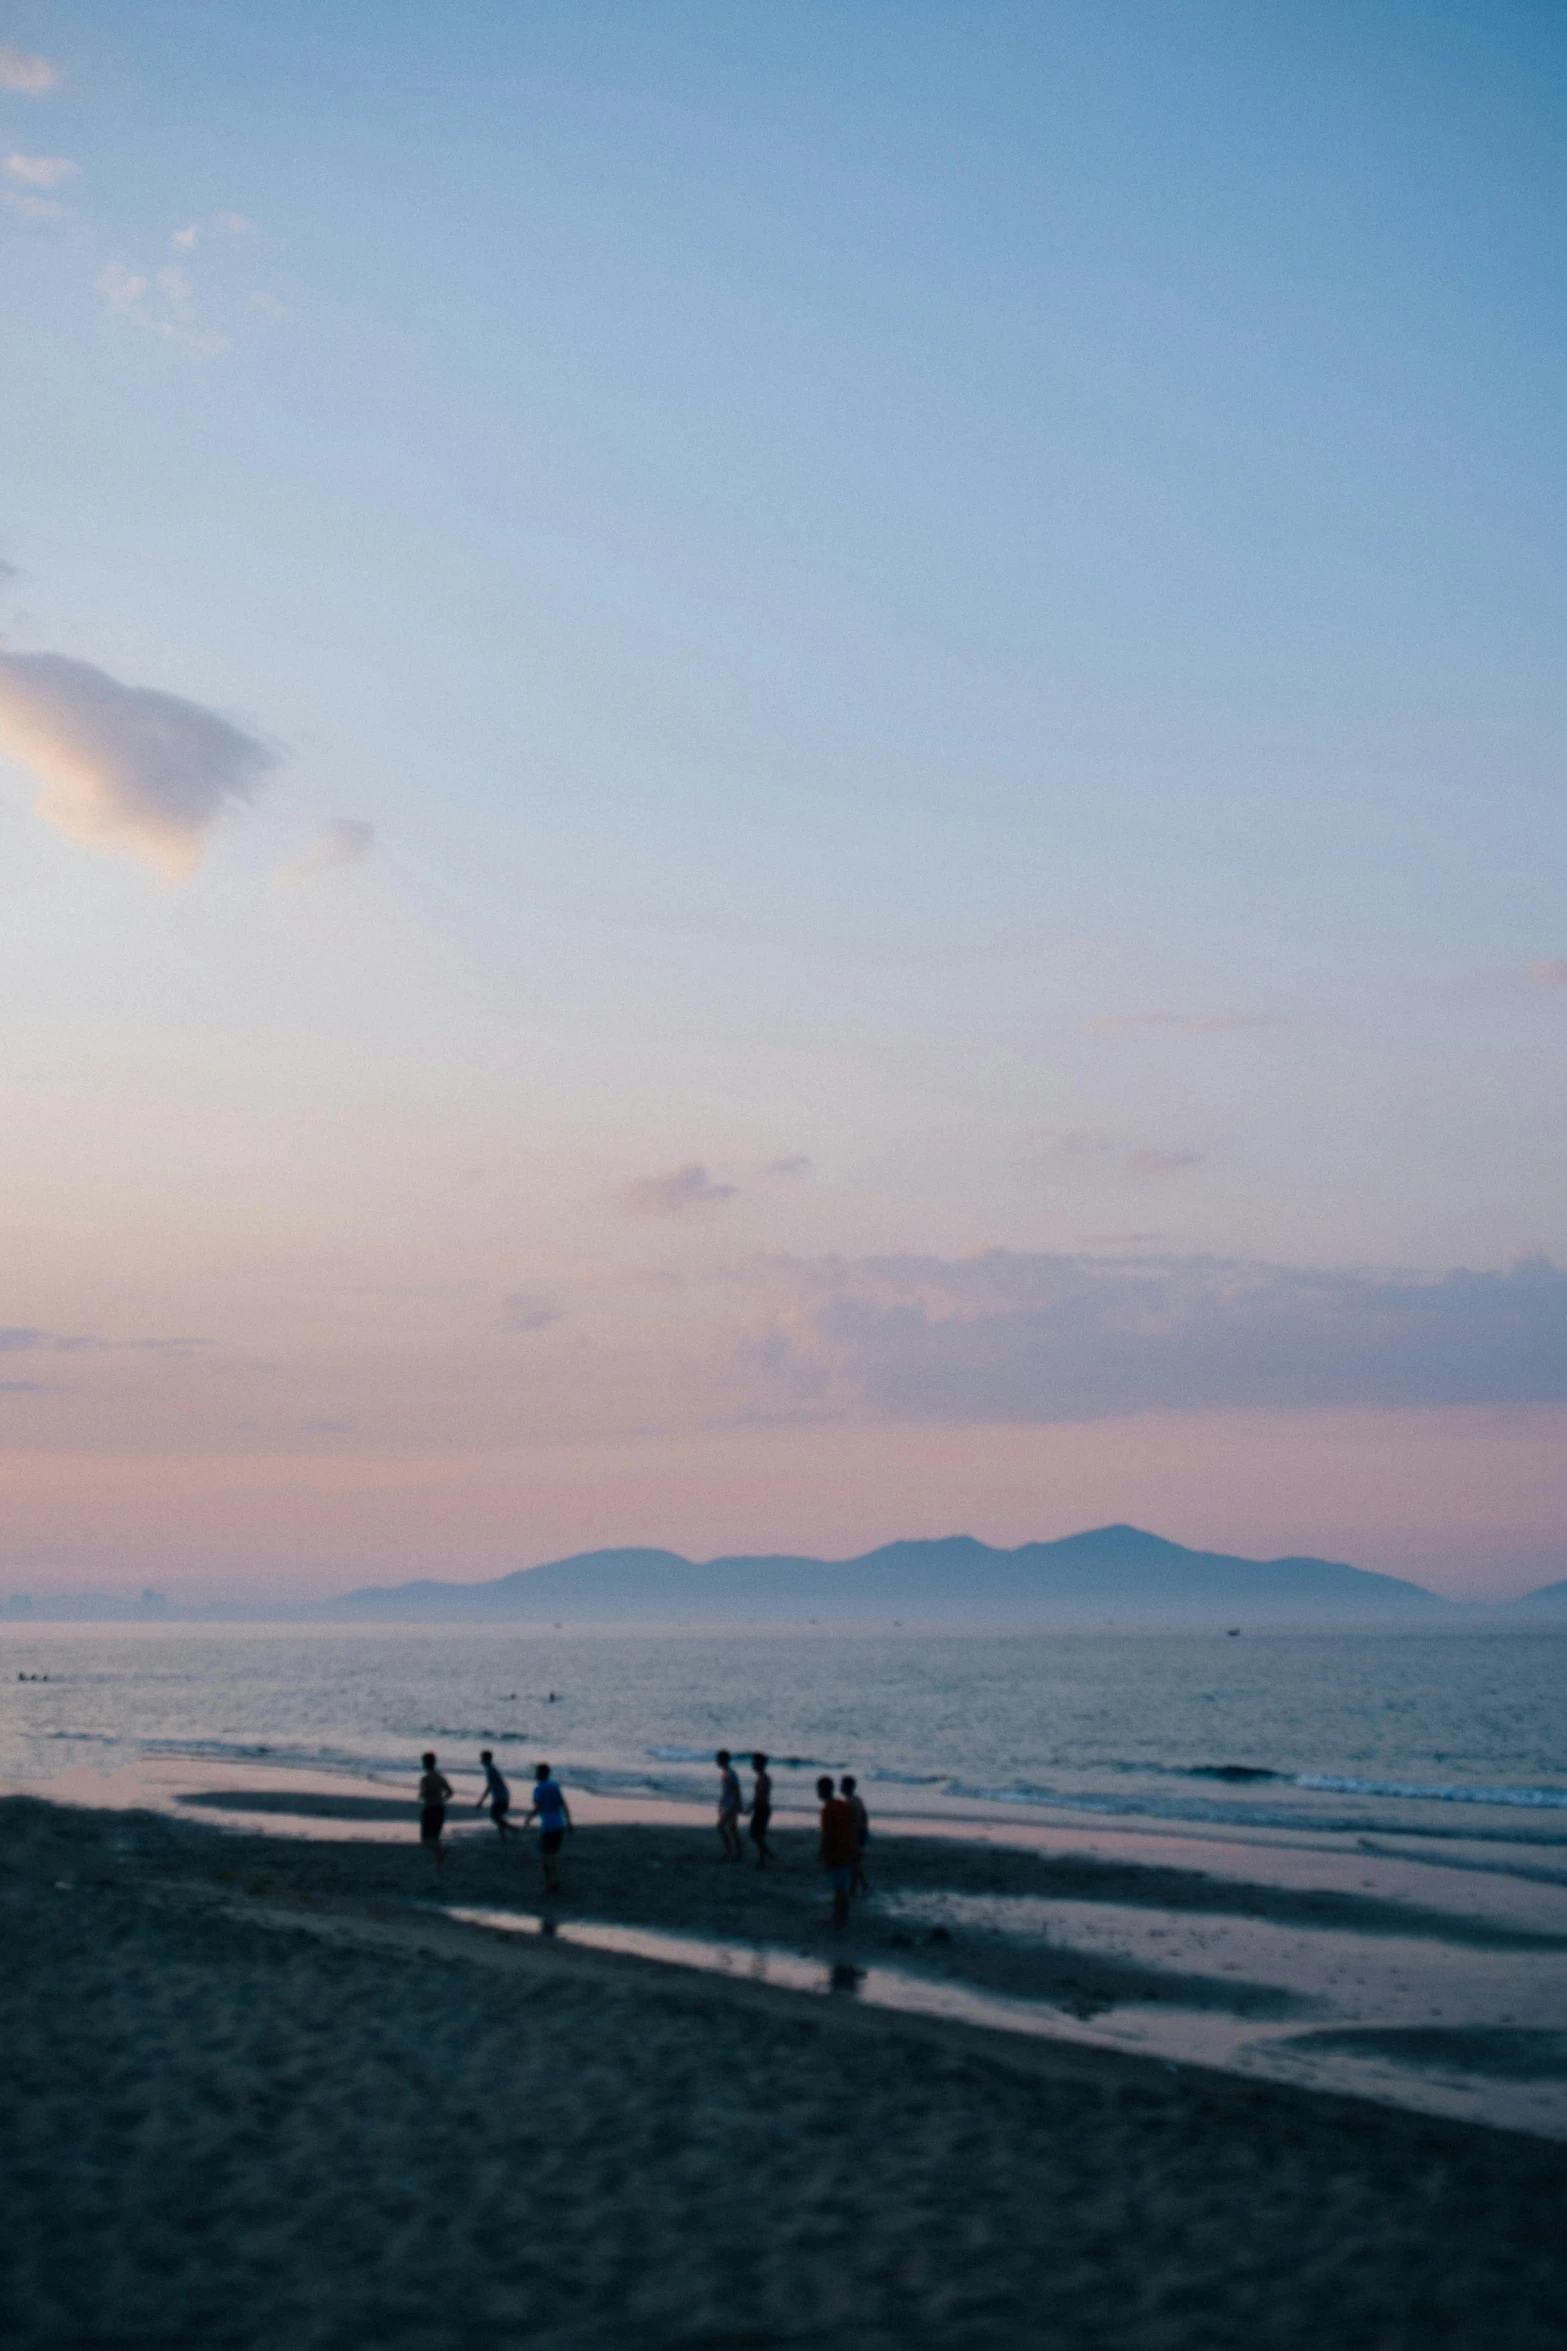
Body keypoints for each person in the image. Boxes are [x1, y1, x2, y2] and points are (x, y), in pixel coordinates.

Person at [522, 1761, 572, 1894]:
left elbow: (538, 1807)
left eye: (537, 1772)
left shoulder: (538, 1789)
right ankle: (555, 1882)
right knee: (551, 1856)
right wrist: (569, 1821)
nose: (535, 1774)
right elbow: (563, 1804)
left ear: (541, 1774)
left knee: (545, 1857)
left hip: (548, 1826)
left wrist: (528, 1818)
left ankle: (548, 1886)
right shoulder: (555, 1786)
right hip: (558, 1824)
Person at [817, 1773, 858, 1929]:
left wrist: (822, 1852)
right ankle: (837, 1916)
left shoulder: (828, 1810)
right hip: (848, 1849)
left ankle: (840, 1918)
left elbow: (828, 1835)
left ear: (823, 1790)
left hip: (837, 1853)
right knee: (841, 1887)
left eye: (819, 1790)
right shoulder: (842, 1805)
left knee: (840, 1889)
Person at [418, 1751, 454, 1871]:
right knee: (435, 1837)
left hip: (429, 1809)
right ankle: (438, 1864)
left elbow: (422, 1795)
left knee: (426, 1839)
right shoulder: (440, 1778)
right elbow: (450, 1792)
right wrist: (442, 1799)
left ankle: (440, 1852)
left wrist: (422, 1796)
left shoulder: (425, 1779)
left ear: (425, 1763)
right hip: (440, 1808)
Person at [475, 1749, 516, 1838]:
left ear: (486, 1759)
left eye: (482, 1758)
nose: (481, 1760)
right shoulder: (491, 1769)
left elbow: (489, 1787)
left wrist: (481, 1801)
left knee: (494, 1817)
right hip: (502, 1796)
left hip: (500, 1797)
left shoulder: (490, 1770)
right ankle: (503, 1836)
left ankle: (512, 1829)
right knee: (498, 1816)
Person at [840, 1773, 870, 1893]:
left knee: (853, 1862)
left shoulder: (849, 1802)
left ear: (844, 1787)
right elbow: (865, 1815)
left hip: (854, 1834)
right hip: (860, 1832)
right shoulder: (858, 1800)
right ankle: (863, 1885)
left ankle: (855, 1888)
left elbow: (847, 1821)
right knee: (855, 1861)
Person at [715, 1748, 743, 1861]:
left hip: (731, 1805)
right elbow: (726, 1791)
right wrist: (721, 1805)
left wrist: (737, 1804)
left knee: (721, 1827)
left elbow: (736, 1790)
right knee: (732, 1829)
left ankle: (730, 1851)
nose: (717, 1761)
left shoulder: (731, 1773)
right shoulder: (725, 1773)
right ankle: (737, 1851)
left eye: (718, 1759)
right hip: (727, 1804)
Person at [747, 1752, 774, 1869]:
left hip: (762, 1809)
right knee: (758, 1835)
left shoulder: (764, 1778)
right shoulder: (762, 1777)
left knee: (755, 1834)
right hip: (761, 1808)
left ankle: (767, 1855)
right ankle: (763, 1857)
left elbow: (759, 1796)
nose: (752, 1765)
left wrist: (750, 1807)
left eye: (754, 1762)